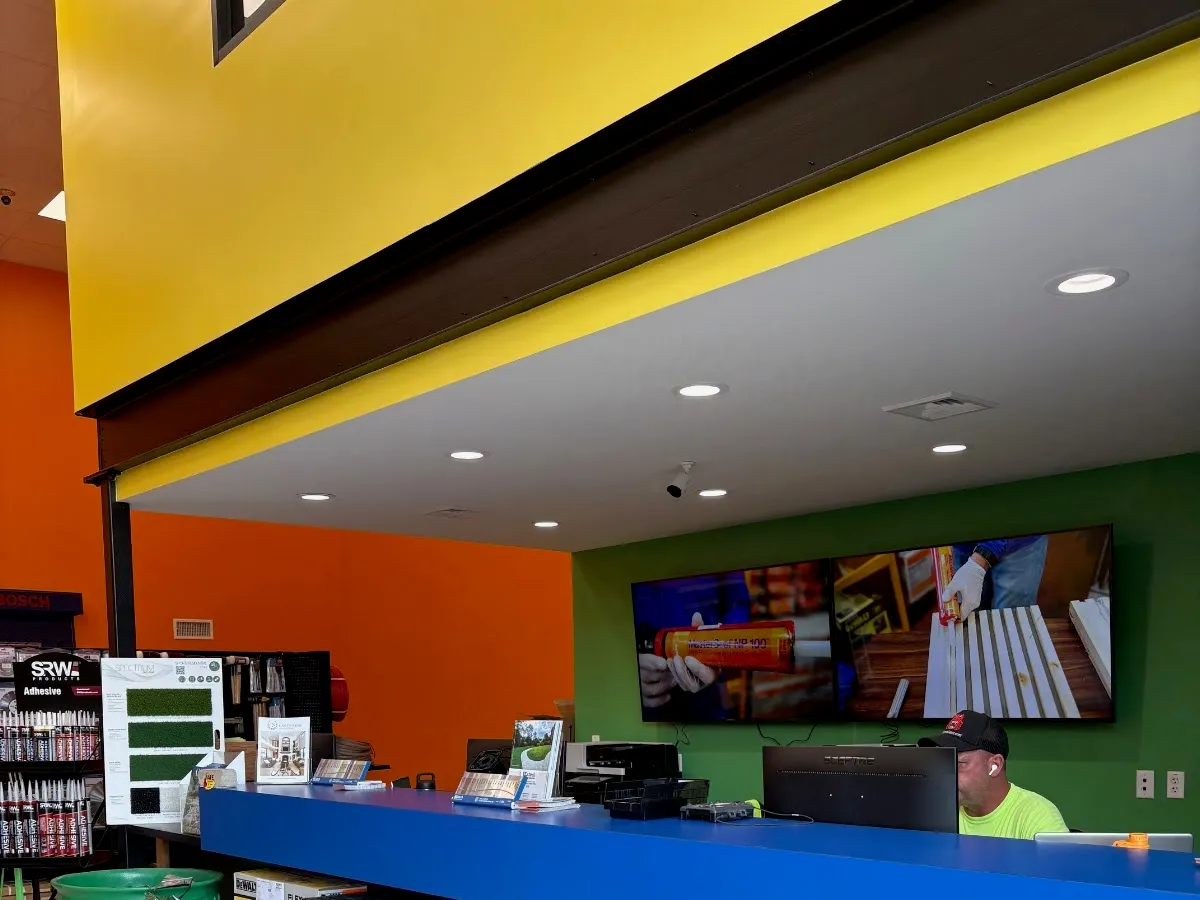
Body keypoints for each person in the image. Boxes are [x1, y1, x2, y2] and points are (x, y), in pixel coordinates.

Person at [919, 710, 1068, 839]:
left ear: (995, 765)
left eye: (957, 763)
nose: (945, 773)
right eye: (942, 761)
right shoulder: (937, 810)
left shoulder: (1038, 817)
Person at [942, 535, 1049, 619]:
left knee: (1012, 619)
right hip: (962, 542)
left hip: (1019, 540)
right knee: (968, 614)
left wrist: (978, 564)